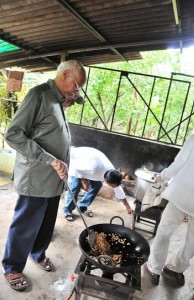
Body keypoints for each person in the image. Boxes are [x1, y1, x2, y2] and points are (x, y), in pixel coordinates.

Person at [2, 60, 86, 291]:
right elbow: (14, 135)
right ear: (66, 75)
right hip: (37, 176)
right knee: (26, 223)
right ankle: (12, 267)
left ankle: (37, 253)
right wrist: (50, 159)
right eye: (77, 85)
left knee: (47, 223)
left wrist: (76, 95)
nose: (77, 92)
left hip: (55, 178)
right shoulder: (38, 95)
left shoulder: (60, 99)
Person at [144, 133, 194, 286]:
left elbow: (179, 162)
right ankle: (176, 269)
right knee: (193, 241)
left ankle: (154, 269)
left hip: (180, 194)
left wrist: (163, 176)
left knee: (164, 231)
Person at [64, 146, 132, 221]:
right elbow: (76, 168)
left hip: (89, 163)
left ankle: (82, 206)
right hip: (76, 161)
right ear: (106, 180)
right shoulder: (93, 168)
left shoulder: (112, 174)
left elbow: (118, 189)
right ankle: (67, 210)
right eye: (111, 185)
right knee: (75, 186)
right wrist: (83, 181)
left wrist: (127, 207)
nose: (112, 187)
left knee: (97, 185)